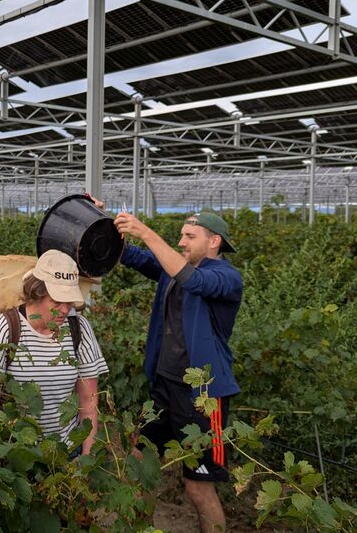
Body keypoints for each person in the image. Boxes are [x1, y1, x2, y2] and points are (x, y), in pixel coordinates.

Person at [114, 211, 242, 533]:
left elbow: (194, 281)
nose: (181, 241)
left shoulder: (226, 277)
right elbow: (129, 256)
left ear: (215, 241)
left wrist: (146, 232)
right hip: (164, 386)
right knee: (141, 464)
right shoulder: (171, 269)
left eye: (190, 237)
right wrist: (103, 223)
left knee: (198, 486)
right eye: (181, 235)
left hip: (202, 395)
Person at [0, 250, 109, 457]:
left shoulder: (79, 327)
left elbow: (88, 403)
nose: (64, 310)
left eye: (69, 302)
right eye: (56, 301)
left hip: (67, 451)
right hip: (18, 454)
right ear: (36, 292)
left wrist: (87, 457)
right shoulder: (6, 329)